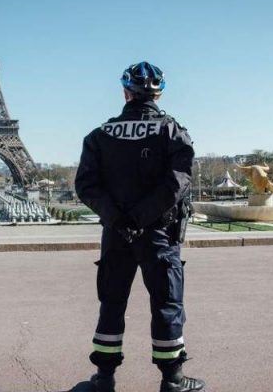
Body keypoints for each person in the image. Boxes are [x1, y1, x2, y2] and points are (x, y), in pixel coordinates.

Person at [75, 61, 205, 392]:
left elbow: (86, 186)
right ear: (158, 95)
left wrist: (120, 219)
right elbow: (177, 184)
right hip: (159, 232)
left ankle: (104, 378)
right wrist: (140, 217)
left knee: (112, 302)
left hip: (116, 234)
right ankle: (172, 379)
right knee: (167, 303)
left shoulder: (100, 135)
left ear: (125, 92)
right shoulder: (172, 132)